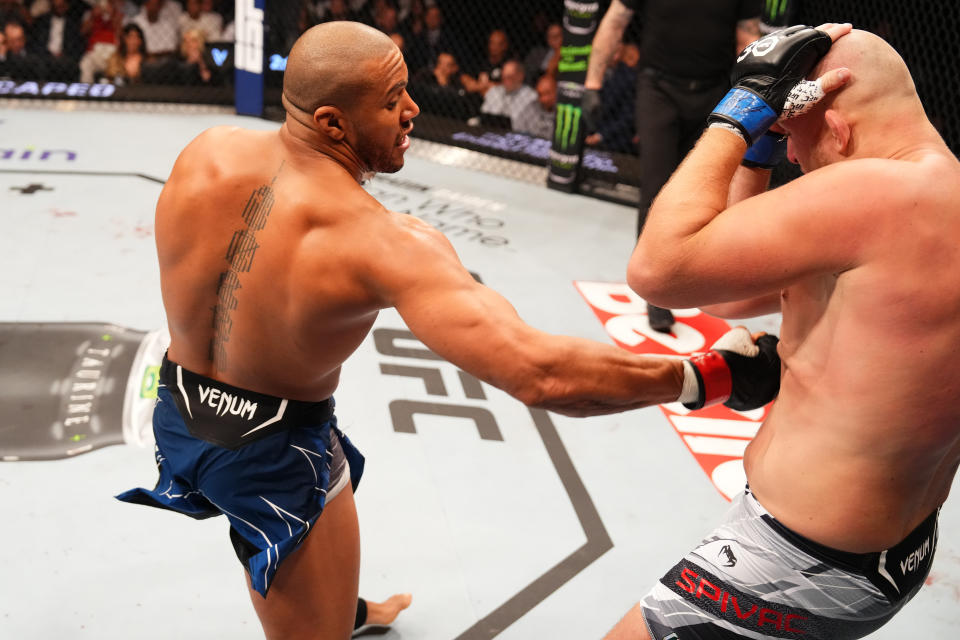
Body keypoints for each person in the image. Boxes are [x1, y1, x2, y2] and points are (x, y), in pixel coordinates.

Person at [115, 21, 782, 640]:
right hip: (275, 446)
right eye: (392, 99)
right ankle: (315, 613)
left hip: (180, 409)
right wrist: (707, 375)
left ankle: (322, 599)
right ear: (330, 121)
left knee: (268, 520)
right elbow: (541, 373)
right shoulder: (384, 242)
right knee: (298, 552)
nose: (412, 111)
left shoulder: (206, 150)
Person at [612, 23, 960, 639]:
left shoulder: (875, 192)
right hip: (891, 554)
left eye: (795, 140)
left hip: (799, 561)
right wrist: (761, 149)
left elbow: (657, 271)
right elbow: (734, 294)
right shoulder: (928, 195)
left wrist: (738, 116)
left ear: (838, 128)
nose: (792, 158)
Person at [583, 0, 761, 333]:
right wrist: (593, 82)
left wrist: (753, 92)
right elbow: (616, 19)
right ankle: (654, 286)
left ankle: (693, 271)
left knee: (705, 190)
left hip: (714, 89)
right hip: (659, 87)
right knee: (656, 185)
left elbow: (748, 37)